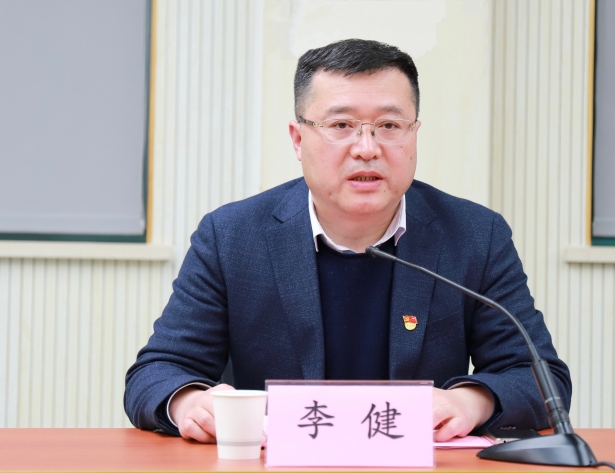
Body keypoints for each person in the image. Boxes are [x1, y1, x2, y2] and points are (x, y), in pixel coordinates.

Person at [124, 38, 571, 444]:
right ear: (298, 139)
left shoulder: (474, 234)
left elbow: (540, 376)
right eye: (341, 125)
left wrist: (469, 402)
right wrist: (189, 403)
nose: (367, 148)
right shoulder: (232, 236)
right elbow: (156, 372)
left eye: (389, 126)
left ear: (414, 134)